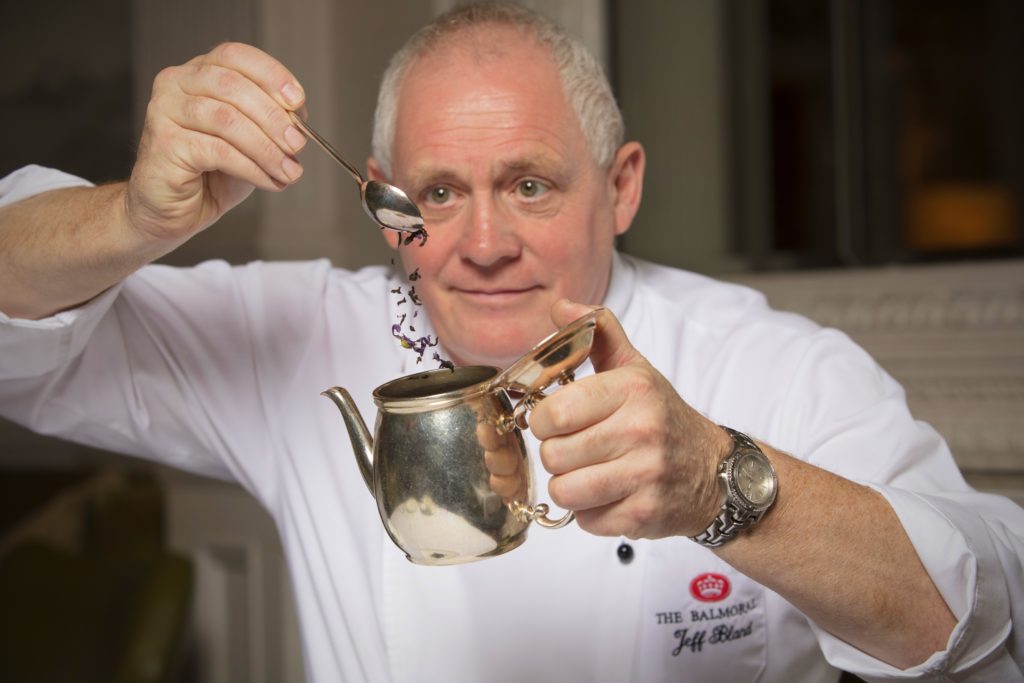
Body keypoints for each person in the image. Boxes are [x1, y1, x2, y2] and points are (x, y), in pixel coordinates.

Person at [0, 3, 1021, 681]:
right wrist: (136, 215)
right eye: (438, 192)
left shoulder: (772, 362)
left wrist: (721, 483)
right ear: (388, 204)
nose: (481, 245)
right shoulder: (306, 331)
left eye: (529, 184)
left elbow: (983, 611)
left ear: (619, 188)